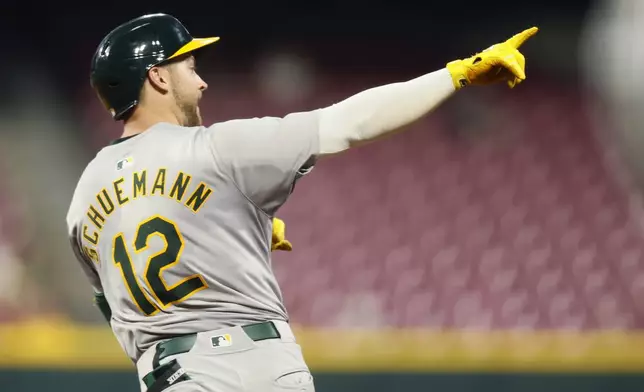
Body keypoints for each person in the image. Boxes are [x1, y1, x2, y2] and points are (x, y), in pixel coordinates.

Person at [66, 12, 537, 392]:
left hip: (173, 374)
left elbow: (115, 303)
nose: (202, 81)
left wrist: (226, 239)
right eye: (189, 67)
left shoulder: (83, 196)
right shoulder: (215, 147)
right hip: (262, 362)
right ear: (158, 78)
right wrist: (457, 74)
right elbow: (349, 123)